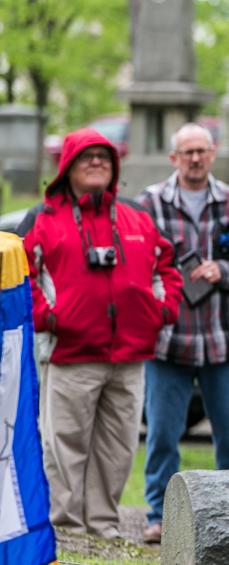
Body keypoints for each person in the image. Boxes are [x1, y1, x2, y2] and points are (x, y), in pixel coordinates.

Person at [23, 128, 183, 538]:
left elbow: (167, 266)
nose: (97, 163)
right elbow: (24, 276)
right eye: (86, 157)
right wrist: (49, 317)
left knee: (117, 448)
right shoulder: (43, 219)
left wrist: (162, 312)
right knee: (64, 447)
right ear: (67, 168)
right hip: (71, 353)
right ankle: (67, 528)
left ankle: (103, 527)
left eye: (104, 158)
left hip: (130, 356)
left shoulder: (137, 218)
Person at [136, 122, 229, 544]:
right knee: (161, 433)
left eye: (202, 151)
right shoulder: (150, 204)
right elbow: (136, 263)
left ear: (213, 154)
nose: (195, 158)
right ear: (174, 158)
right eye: (187, 152)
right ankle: (158, 516)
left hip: (222, 339)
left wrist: (223, 269)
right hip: (168, 340)